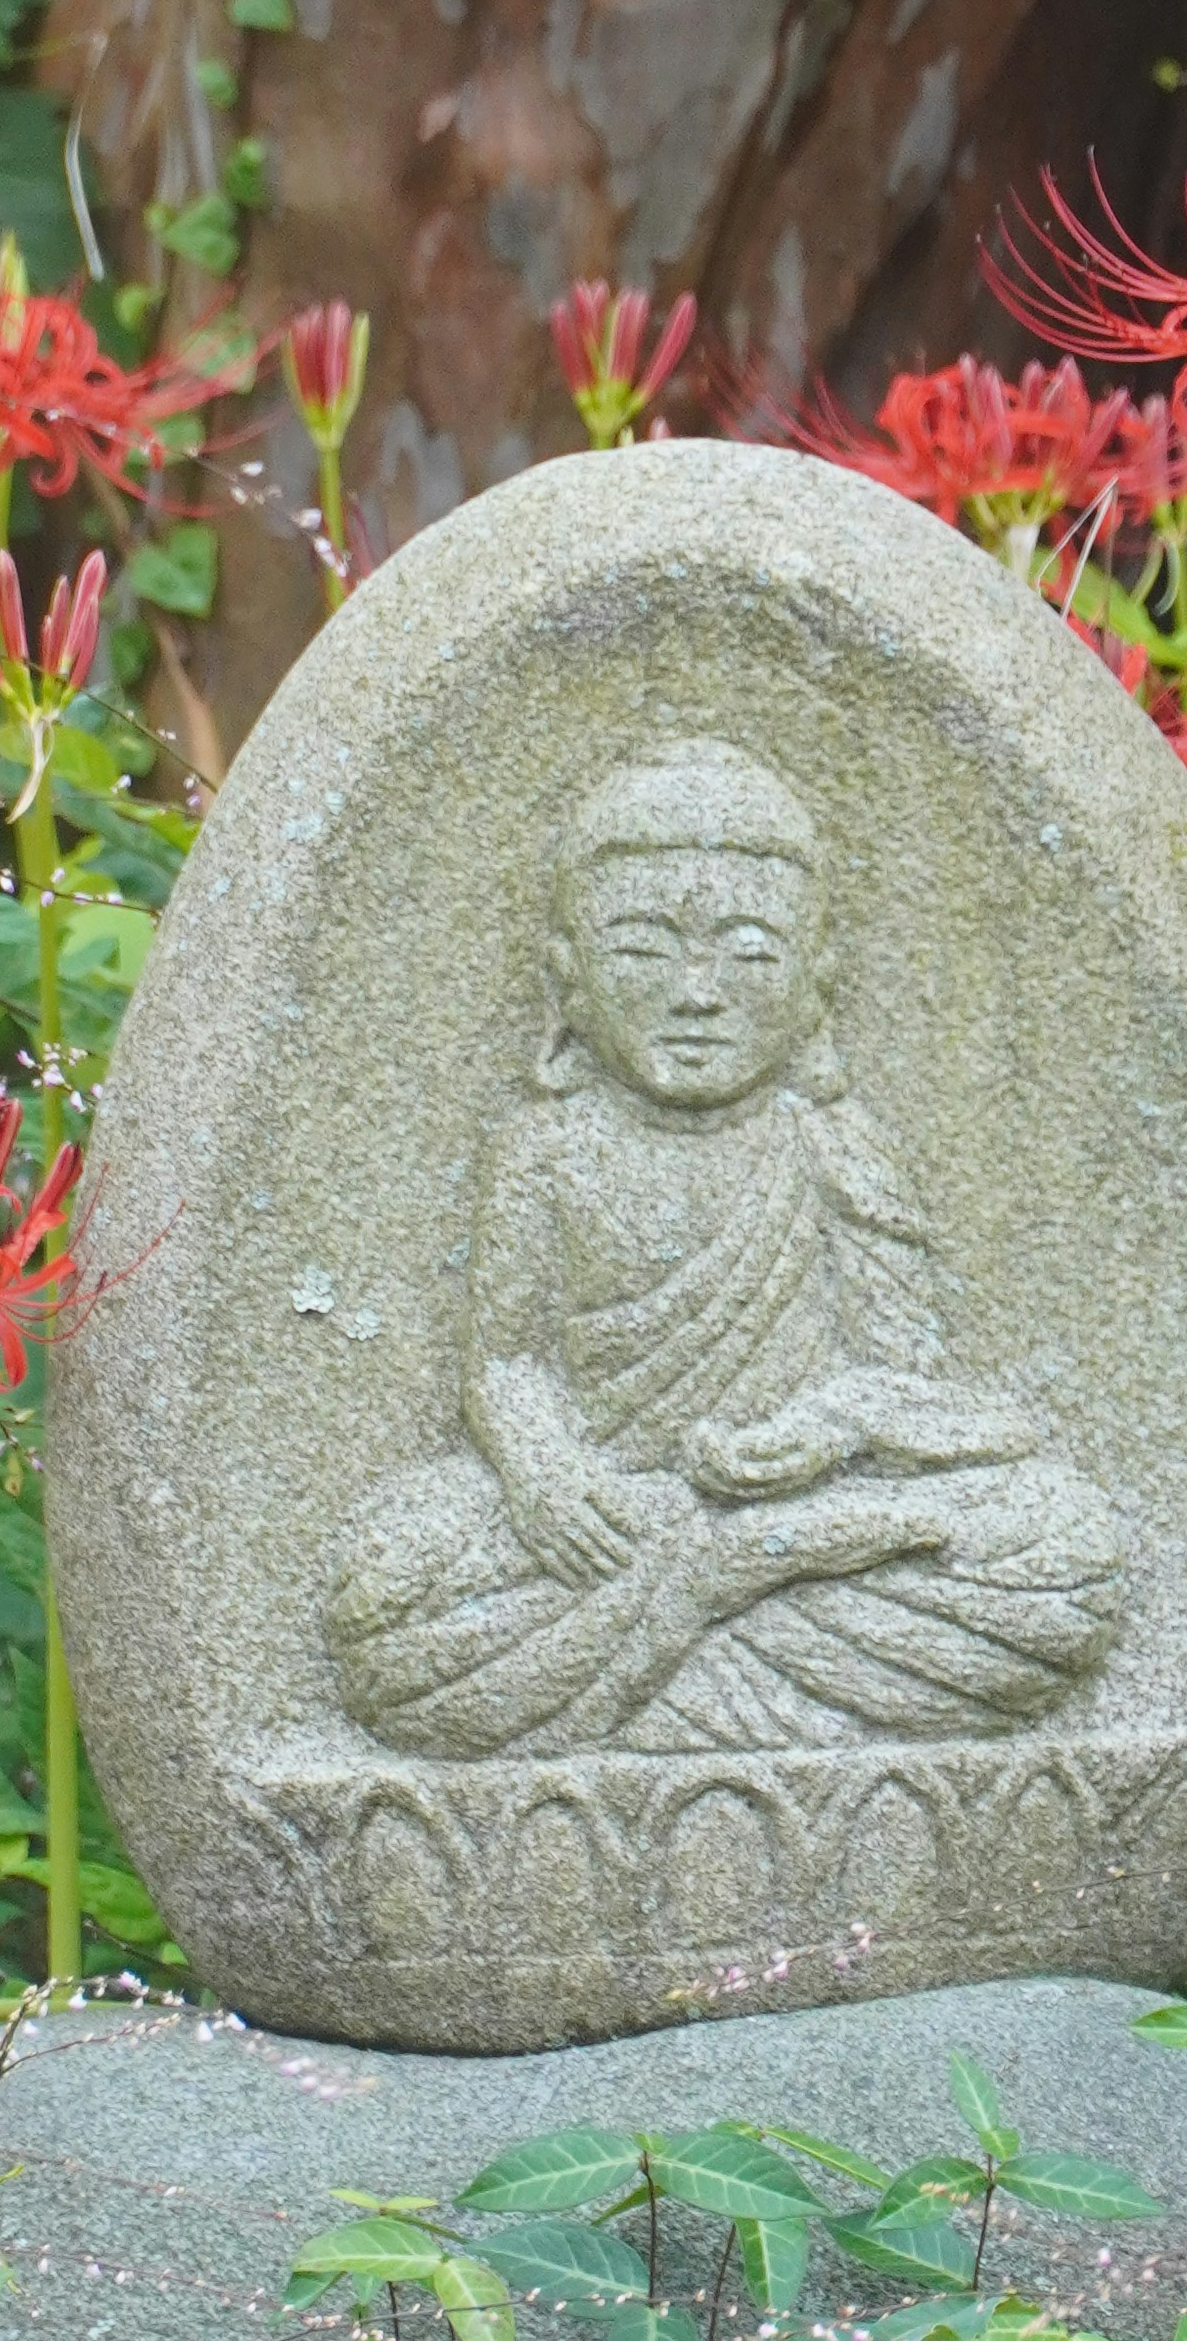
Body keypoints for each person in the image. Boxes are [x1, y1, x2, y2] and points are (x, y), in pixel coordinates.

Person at [320, 737, 1125, 1762]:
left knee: (1060, 1543)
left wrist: (837, 1423)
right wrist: (544, 1475)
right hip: (614, 1527)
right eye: (644, 952)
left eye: (748, 953)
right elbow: (507, 1364)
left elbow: (916, 1390)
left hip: (805, 1522)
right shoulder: (547, 1148)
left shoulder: (830, 1145)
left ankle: (679, 1626)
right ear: (566, 981)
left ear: (813, 984)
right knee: (384, 1580)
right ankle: (733, 1619)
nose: (697, 994)